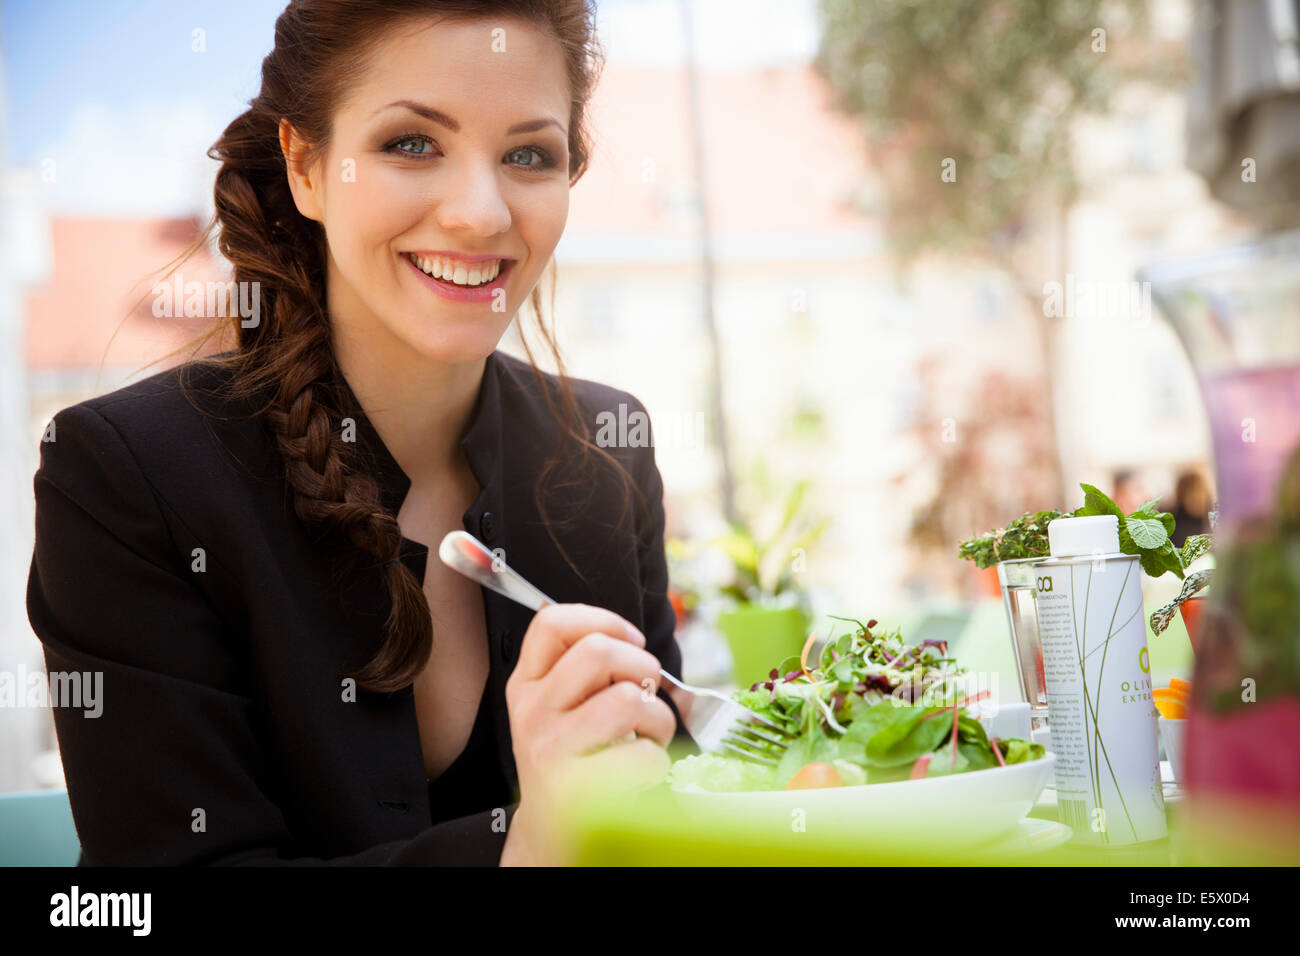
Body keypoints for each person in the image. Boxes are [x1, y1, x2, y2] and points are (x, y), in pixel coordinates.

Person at [26, 0, 687, 866]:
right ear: (305, 166)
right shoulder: (123, 478)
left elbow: (682, 800)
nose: (481, 214)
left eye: (529, 155)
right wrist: (530, 847)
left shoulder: (609, 449)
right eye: (412, 143)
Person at [1163, 468, 1214, 547]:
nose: (1196, 498)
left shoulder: (1212, 518)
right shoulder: (1171, 520)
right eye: (1192, 493)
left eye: (1199, 493)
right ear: (1182, 495)